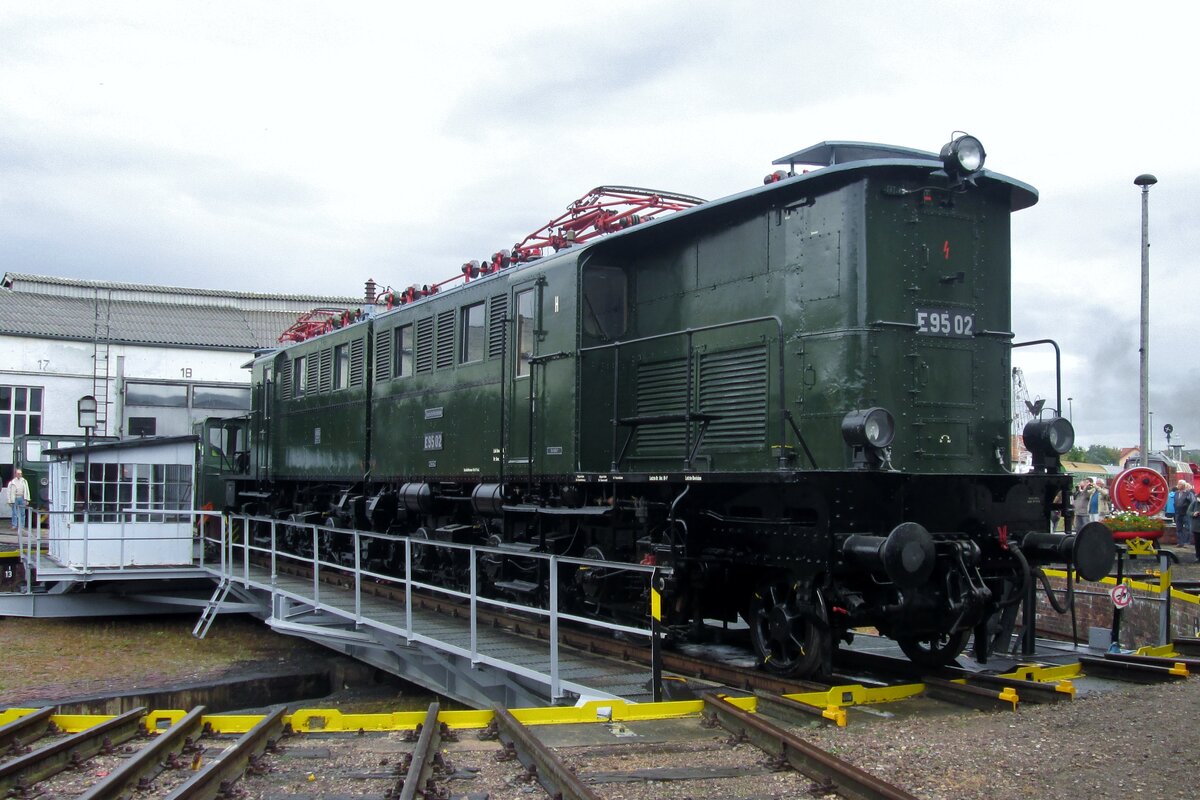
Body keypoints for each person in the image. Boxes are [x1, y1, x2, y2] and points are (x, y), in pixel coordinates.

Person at [1174, 480, 1195, 547]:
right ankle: (1180, 543)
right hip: (1178, 513)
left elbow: (1193, 502)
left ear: (1183, 485)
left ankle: (1186, 543)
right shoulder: (1176, 493)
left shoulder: (1188, 493)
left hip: (1186, 513)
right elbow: (1175, 502)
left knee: (1187, 528)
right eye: (1178, 484)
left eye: (1180, 484)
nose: (1178, 485)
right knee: (1178, 528)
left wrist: (1190, 511)